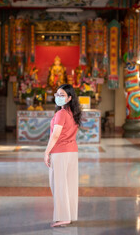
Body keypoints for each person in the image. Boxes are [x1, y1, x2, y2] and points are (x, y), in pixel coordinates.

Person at [44, 84, 82, 228]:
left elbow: (55, 136)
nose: (58, 98)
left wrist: (46, 152)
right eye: (57, 94)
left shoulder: (61, 114)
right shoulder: (73, 113)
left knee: (59, 185)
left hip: (60, 153)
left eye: (62, 95)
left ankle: (62, 217)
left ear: (69, 98)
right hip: (72, 152)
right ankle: (70, 215)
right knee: (69, 185)